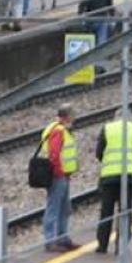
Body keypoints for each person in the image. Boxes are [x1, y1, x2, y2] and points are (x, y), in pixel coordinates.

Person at [94, 116, 132, 255]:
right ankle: (121, 246)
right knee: (125, 211)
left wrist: (107, 160)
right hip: (128, 176)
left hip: (109, 176)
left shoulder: (107, 128)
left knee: (106, 211)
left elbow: (99, 152)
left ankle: (102, 245)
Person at [41, 105, 79, 252]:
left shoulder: (59, 129)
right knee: (54, 207)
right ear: (67, 116)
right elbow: (54, 154)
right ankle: (51, 240)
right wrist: (59, 172)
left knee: (63, 208)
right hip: (58, 175)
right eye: (72, 115)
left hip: (63, 175)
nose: (73, 118)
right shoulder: (58, 131)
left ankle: (63, 239)